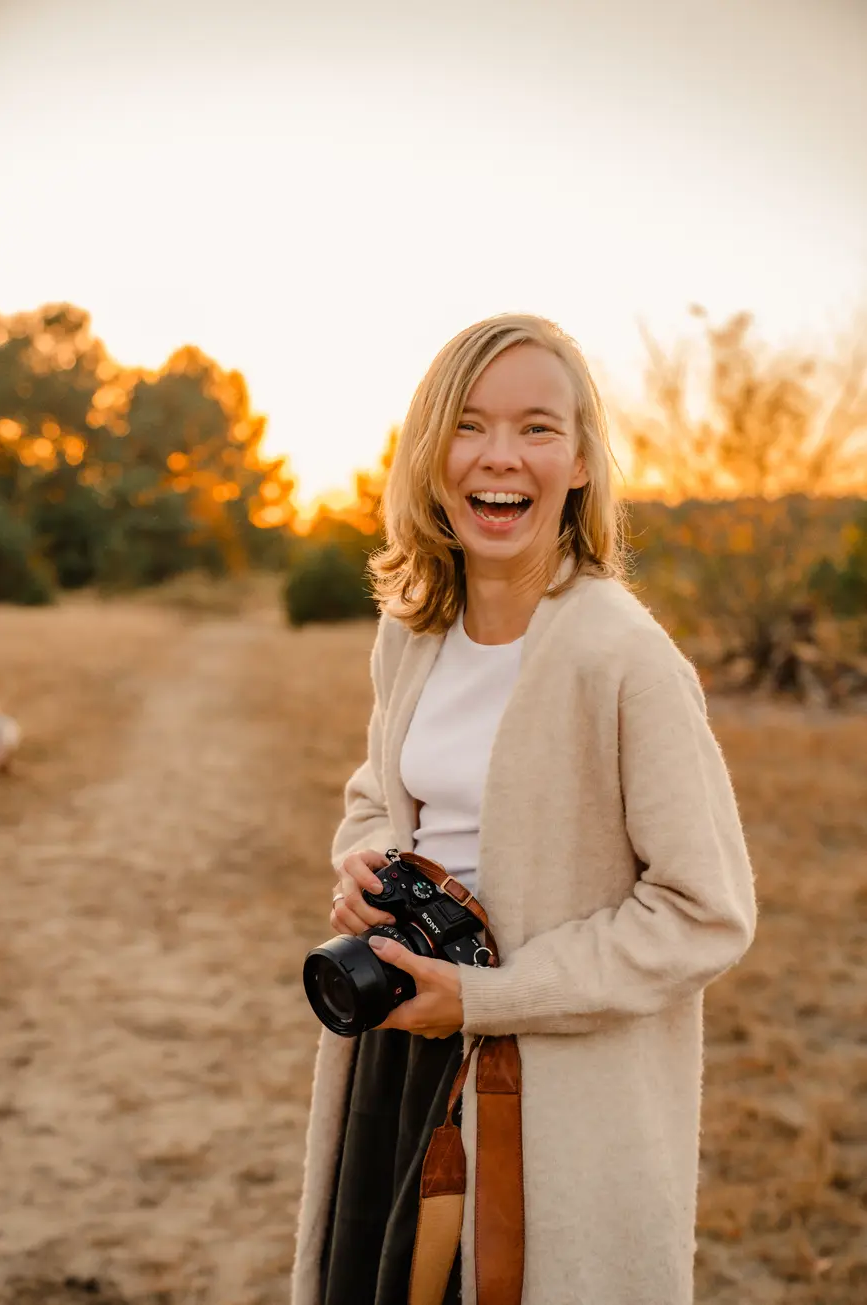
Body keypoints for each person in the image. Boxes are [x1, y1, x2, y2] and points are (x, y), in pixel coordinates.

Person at [291, 313, 756, 1305]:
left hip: (558, 1108)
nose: (500, 456)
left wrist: (490, 997)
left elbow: (705, 912)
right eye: (468, 424)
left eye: (537, 428)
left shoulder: (623, 659)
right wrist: (366, 859)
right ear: (430, 453)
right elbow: (382, 792)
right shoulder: (413, 632)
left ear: (581, 462)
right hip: (398, 1054)